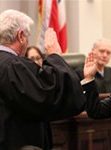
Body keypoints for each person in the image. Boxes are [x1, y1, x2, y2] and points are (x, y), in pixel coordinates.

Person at [0, 9, 86, 150]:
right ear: (21, 36)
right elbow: (49, 97)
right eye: (27, 37)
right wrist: (54, 55)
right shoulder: (13, 66)